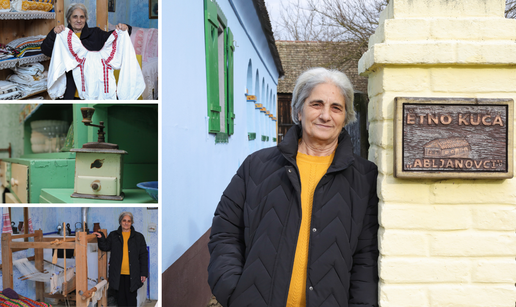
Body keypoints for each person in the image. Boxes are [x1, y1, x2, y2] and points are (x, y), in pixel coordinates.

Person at [208, 67, 379, 307]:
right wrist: (235, 292)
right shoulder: (257, 166)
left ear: (346, 117)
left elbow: (366, 257)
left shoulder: (365, 177)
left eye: (336, 108)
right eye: (316, 104)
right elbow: (225, 233)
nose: (326, 115)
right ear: (299, 110)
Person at [41, 3, 131, 99]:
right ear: (69, 19)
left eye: (82, 17)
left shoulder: (96, 34)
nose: (79, 20)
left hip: (92, 90)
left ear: (85, 19)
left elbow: (113, 37)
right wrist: (54, 33)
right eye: (75, 17)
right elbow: (46, 50)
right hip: (69, 91)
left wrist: (125, 29)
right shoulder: (62, 37)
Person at [94, 212, 148, 307]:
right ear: (120, 222)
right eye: (124, 220)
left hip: (133, 274)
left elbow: (143, 256)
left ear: (131, 223)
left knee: (131, 300)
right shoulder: (113, 235)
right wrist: (101, 238)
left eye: (129, 221)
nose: (126, 223)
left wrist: (144, 273)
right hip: (117, 274)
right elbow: (105, 246)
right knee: (120, 299)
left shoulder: (139, 237)